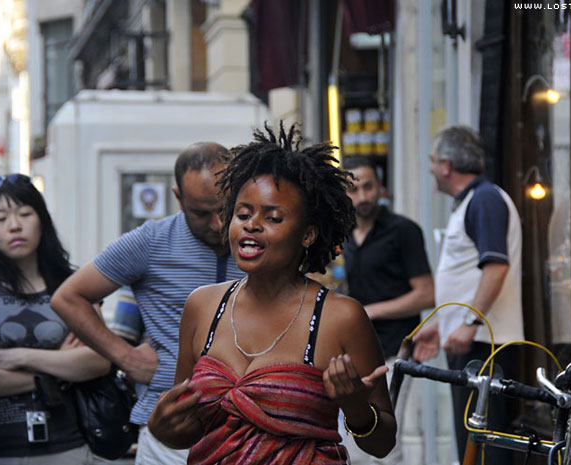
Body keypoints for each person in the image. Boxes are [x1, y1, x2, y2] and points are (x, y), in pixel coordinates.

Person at [148, 123, 397, 464]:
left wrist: (356, 408)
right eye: (243, 214)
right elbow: (189, 426)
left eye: (273, 217)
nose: (251, 225)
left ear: (308, 234)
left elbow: (382, 444)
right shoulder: (203, 306)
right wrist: (163, 428)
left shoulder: (341, 317)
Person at [51, 142, 245, 465]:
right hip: (170, 429)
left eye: (225, 209)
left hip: (249, 426)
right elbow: (68, 297)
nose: (217, 225)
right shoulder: (152, 241)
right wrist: (125, 357)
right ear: (178, 198)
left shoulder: (257, 239)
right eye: (201, 213)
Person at [0, 174, 111, 464]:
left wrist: (19, 356)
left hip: (66, 446)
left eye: (25, 214)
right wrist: (59, 373)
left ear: (42, 220)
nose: (15, 226)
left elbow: (98, 360)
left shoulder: (72, 287)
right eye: (0, 218)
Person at [413, 125, 523, 465]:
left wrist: (469, 322)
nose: (431, 168)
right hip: (475, 341)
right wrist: (445, 324)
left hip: (485, 346)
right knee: (474, 446)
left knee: (486, 448)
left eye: (433, 161)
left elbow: (496, 268)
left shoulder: (485, 198)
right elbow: (470, 275)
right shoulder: (474, 201)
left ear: (446, 165)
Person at [341, 156, 434, 465]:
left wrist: (371, 312)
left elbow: (426, 294)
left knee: (389, 442)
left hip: (396, 350)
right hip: (353, 354)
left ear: (381, 188)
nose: (363, 196)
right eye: (354, 189)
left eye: (369, 187)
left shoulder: (403, 231)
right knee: (354, 438)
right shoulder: (341, 236)